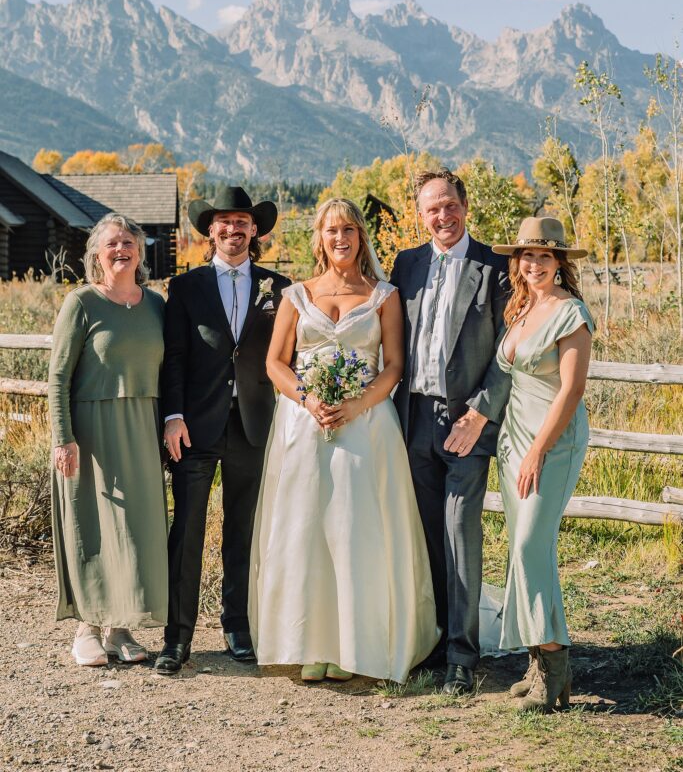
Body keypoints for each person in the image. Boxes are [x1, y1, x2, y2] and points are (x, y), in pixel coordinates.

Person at [249, 198, 439, 684]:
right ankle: (311, 643)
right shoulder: (296, 295)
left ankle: (356, 643)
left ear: (361, 237)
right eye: (332, 230)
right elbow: (275, 363)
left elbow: (394, 365)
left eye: (349, 230)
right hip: (304, 427)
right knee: (306, 530)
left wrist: (356, 406)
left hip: (367, 426)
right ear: (320, 237)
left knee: (358, 529)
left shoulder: (384, 296)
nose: (341, 238)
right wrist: (308, 399)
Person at [155, 187, 290, 674]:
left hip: (253, 423)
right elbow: (173, 360)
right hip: (194, 425)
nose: (233, 230)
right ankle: (178, 636)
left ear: (255, 231)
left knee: (244, 530)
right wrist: (173, 416)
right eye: (224, 222)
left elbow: (290, 356)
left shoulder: (279, 286)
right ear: (210, 230)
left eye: (243, 222)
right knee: (186, 528)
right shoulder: (185, 288)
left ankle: (238, 626)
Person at [390, 169, 511, 695]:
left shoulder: (496, 269)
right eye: (431, 209)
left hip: (466, 422)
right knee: (427, 536)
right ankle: (437, 643)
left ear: (465, 205)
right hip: (415, 418)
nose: (442, 216)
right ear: (421, 215)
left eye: (448, 205)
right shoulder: (407, 265)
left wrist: (481, 413)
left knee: (461, 532)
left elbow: (509, 352)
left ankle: (464, 655)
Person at [49, 213, 168, 667]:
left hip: (142, 424)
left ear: (140, 251)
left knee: (136, 527)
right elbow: (58, 377)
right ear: (97, 254)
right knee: (93, 525)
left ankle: (121, 628)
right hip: (90, 430)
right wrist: (64, 438)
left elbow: (170, 369)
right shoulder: (80, 303)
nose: (121, 250)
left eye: (129, 243)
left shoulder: (156, 304)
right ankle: (87, 628)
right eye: (112, 244)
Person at [492, 216, 593, 712]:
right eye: (527, 256)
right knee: (524, 550)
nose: (534, 264)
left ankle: (555, 666)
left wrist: (538, 449)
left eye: (544, 257)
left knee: (531, 545)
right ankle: (537, 661)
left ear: (560, 264)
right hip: (513, 439)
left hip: (552, 442)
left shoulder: (571, 313)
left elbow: (572, 390)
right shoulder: (522, 307)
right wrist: (516, 445)